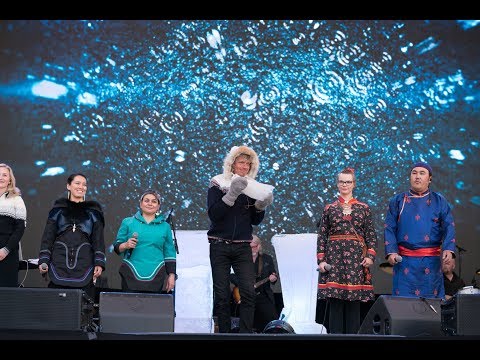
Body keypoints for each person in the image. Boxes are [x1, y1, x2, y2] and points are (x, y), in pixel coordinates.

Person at [207, 145, 273, 333]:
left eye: (248, 163)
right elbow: (214, 214)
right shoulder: (218, 182)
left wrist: (260, 206)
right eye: (241, 162)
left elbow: (255, 220)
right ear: (232, 163)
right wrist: (232, 194)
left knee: (249, 293)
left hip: (243, 247)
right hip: (219, 245)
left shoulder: (252, 186)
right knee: (221, 295)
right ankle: (225, 335)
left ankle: (244, 335)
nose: (244, 166)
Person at [317, 167, 377, 334]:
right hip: (334, 260)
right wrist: (321, 260)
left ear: (354, 184)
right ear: (337, 184)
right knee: (335, 304)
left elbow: (371, 235)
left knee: (353, 304)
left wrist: (370, 256)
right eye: (342, 181)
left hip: (355, 261)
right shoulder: (329, 208)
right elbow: (322, 236)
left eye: (348, 182)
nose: (345, 184)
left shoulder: (364, 208)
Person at [384, 162, 456, 299]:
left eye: (422, 173)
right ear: (410, 177)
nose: (417, 176)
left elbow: (449, 226)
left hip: (431, 263)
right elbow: (389, 227)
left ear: (429, 179)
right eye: (414, 173)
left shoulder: (439, 201)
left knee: (431, 307)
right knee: (403, 305)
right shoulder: (398, 200)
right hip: (404, 263)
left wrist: (448, 248)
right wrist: (391, 251)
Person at [38, 173, 106, 300]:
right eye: (77, 183)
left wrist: (99, 263)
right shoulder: (58, 210)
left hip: (84, 263)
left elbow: (98, 240)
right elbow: (48, 237)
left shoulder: (94, 212)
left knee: (81, 306)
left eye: (84, 184)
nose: (81, 187)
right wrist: (44, 260)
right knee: (57, 304)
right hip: (59, 262)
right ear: (68, 186)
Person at [113, 189, 176, 293]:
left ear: (158, 206)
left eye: (154, 201)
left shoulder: (165, 227)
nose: (150, 203)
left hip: (156, 273)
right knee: (129, 307)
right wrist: (126, 245)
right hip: (131, 272)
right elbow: (117, 247)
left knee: (152, 306)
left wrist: (172, 275)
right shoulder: (127, 222)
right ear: (141, 204)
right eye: (146, 200)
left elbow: (169, 252)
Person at [230, 234, 279, 333]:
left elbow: (273, 274)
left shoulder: (266, 258)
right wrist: (245, 284)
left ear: (259, 246)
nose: (252, 249)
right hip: (246, 295)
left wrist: (273, 278)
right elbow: (231, 276)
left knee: (273, 322)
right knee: (246, 322)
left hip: (263, 295)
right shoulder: (240, 260)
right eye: (250, 247)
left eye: (255, 246)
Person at [0, 163, 27, 287]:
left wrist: (5, 250)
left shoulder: (16, 199)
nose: (1, 177)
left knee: (6, 294)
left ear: (10, 179)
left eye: (4, 175)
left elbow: (20, 228)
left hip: (8, 253)